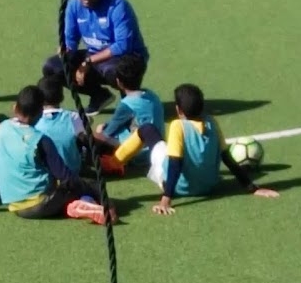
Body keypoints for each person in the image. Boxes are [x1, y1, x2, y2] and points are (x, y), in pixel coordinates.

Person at [111, 83, 280, 216]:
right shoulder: (212, 122)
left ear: (178, 109)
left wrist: (166, 199)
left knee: (147, 130)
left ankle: (112, 163)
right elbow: (226, 157)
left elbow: (175, 163)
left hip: (177, 188)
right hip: (208, 187)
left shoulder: (178, 125)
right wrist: (252, 187)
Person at [0, 85, 115, 223]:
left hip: (16, 206)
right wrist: (91, 188)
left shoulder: (1, 129)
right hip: (42, 203)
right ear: (40, 112)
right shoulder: (40, 140)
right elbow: (65, 177)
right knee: (89, 185)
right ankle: (94, 204)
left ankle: (76, 205)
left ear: (15, 107)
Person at [42, 0, 148, 116]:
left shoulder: (118, 6)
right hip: (94, 55)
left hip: (126, 57)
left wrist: (88, 62)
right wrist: (66, 49)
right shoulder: (74, 5)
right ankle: (99, 96)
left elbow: (122, 46)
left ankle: (132, 106)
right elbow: (70, 40)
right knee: (53, 67)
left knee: (114, 71)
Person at [93, 53, 164, 172]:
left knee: (96, 134)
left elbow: (108, 132)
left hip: (139, 153)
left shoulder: (127, 104)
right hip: (156, 146)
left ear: (119, 82)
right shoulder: (151, 95)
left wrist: (101, 130)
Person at [35, 74, 86, 175]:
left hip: (44, 173)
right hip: (72, 171)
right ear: (62, 97)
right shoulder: (73, 117)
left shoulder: (34, 119)